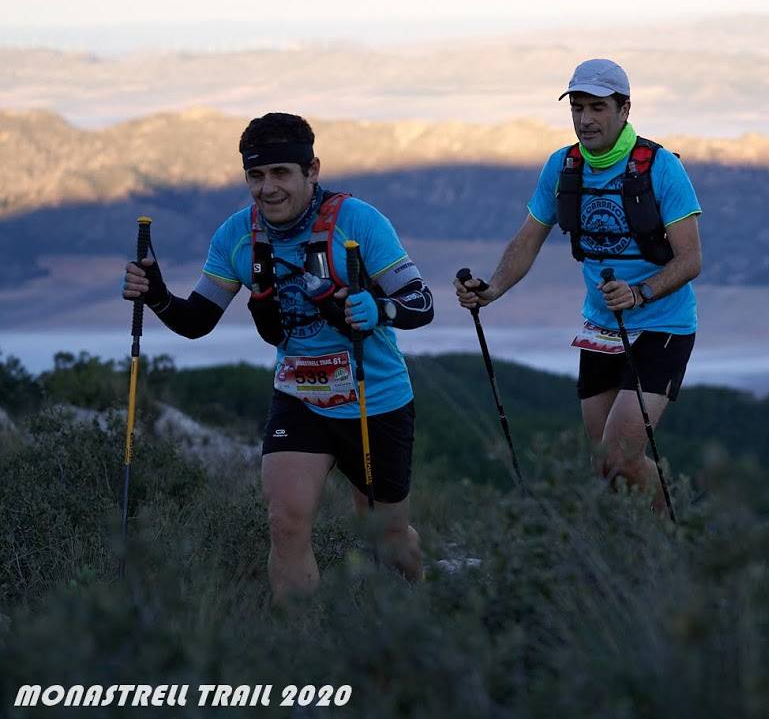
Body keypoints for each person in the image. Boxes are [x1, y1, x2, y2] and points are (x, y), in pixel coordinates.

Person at [121, 112, 435, 600]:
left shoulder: (358, 220)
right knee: (285, 524)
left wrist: (379, 307)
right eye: (255, 175)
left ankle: (424, 608)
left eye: (280, 173)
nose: (267, 189)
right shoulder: (236, 236)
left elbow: (422, 303)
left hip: (374, 398)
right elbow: (197, 321)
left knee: (388, 539)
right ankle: (301, 650)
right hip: (299, 397)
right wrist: (158, 294)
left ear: (312, 170)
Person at [454, 59, 702, 511]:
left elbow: (691, 259)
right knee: (603, 466)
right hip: (601, 326)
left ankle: (676, 538)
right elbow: (528, 239)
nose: (585, 119)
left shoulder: (661, 167)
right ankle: (637, 550)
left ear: (624, 109)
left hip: (664, 324)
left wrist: (640, 293)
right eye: (578, 108)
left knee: (622, 457)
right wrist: (492, 290)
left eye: (598, 108)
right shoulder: (562, 166)